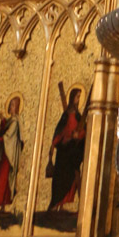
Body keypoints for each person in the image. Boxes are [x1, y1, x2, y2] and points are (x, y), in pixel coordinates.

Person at [47, 83, 86, 211]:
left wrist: (78, 135)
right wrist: (54, 144)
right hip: (63, 151)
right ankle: (57, 204)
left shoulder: (79, 116)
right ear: (72, 98)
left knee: (71, 178)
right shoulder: (65, 115)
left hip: (72, 151)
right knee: (60, 178)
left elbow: (84, 131)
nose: (78, 100)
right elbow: (59, 131)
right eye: (77, 97)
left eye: (80, 97)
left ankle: (64, 204)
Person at [0, 94, 23, 211]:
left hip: (9, 156)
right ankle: (0, 205)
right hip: (5, 153)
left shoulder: (15, 121)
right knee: (2, 178)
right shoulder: (11, 121)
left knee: (3, 179)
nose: (11, 106)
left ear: (17, 107)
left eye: (13, 105)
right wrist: (2, 121)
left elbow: (9, 135)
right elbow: (5, 131)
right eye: (10, 104)